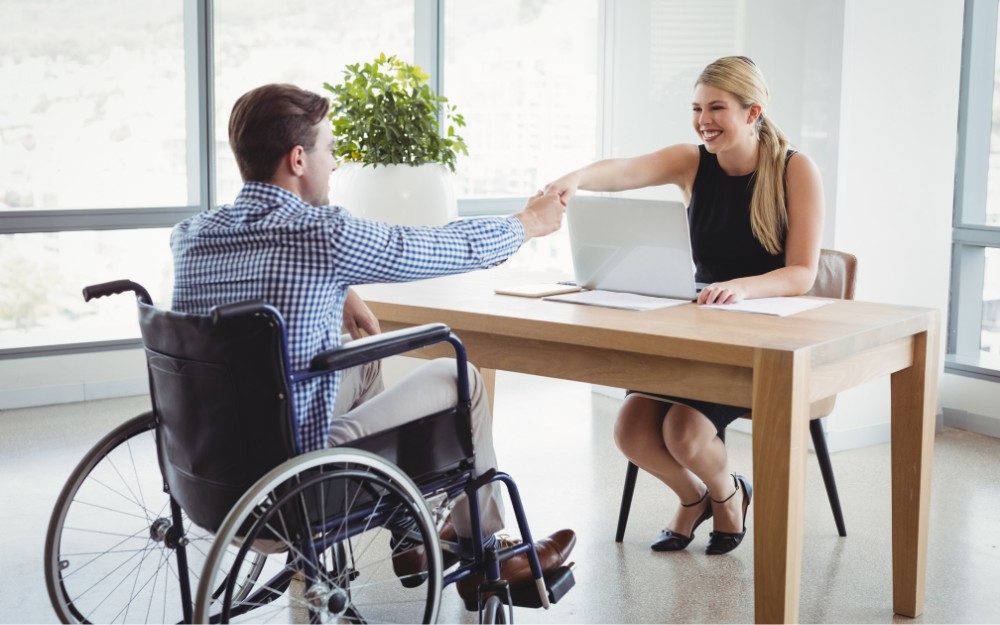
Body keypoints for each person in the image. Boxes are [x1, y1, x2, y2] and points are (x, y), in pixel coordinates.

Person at [170, 83, 576, 601]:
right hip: (294, 484)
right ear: (298, 158)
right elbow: (435, 247)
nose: (334, 165)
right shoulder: (322, 234)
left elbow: (252, 285)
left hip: (208, 477)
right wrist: (529, 223)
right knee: (461, 376)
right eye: (329, 151)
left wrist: (338, 288)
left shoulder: (192, 235)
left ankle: (410, 534)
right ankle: (484, 551)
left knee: (360, 361)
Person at [544, 56, 824, 555]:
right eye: (697, 108)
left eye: (717, 108)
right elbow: (627, 170)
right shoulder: (693, 161)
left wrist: (743, 287)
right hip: (696, 323)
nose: (703, 121)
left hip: (755, 332)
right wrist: (576, 178)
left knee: (683, 432)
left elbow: (802, 273)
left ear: (752, 111)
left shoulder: (795, 169)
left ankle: (729, 496)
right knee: (630, 430)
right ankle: (697, 497)